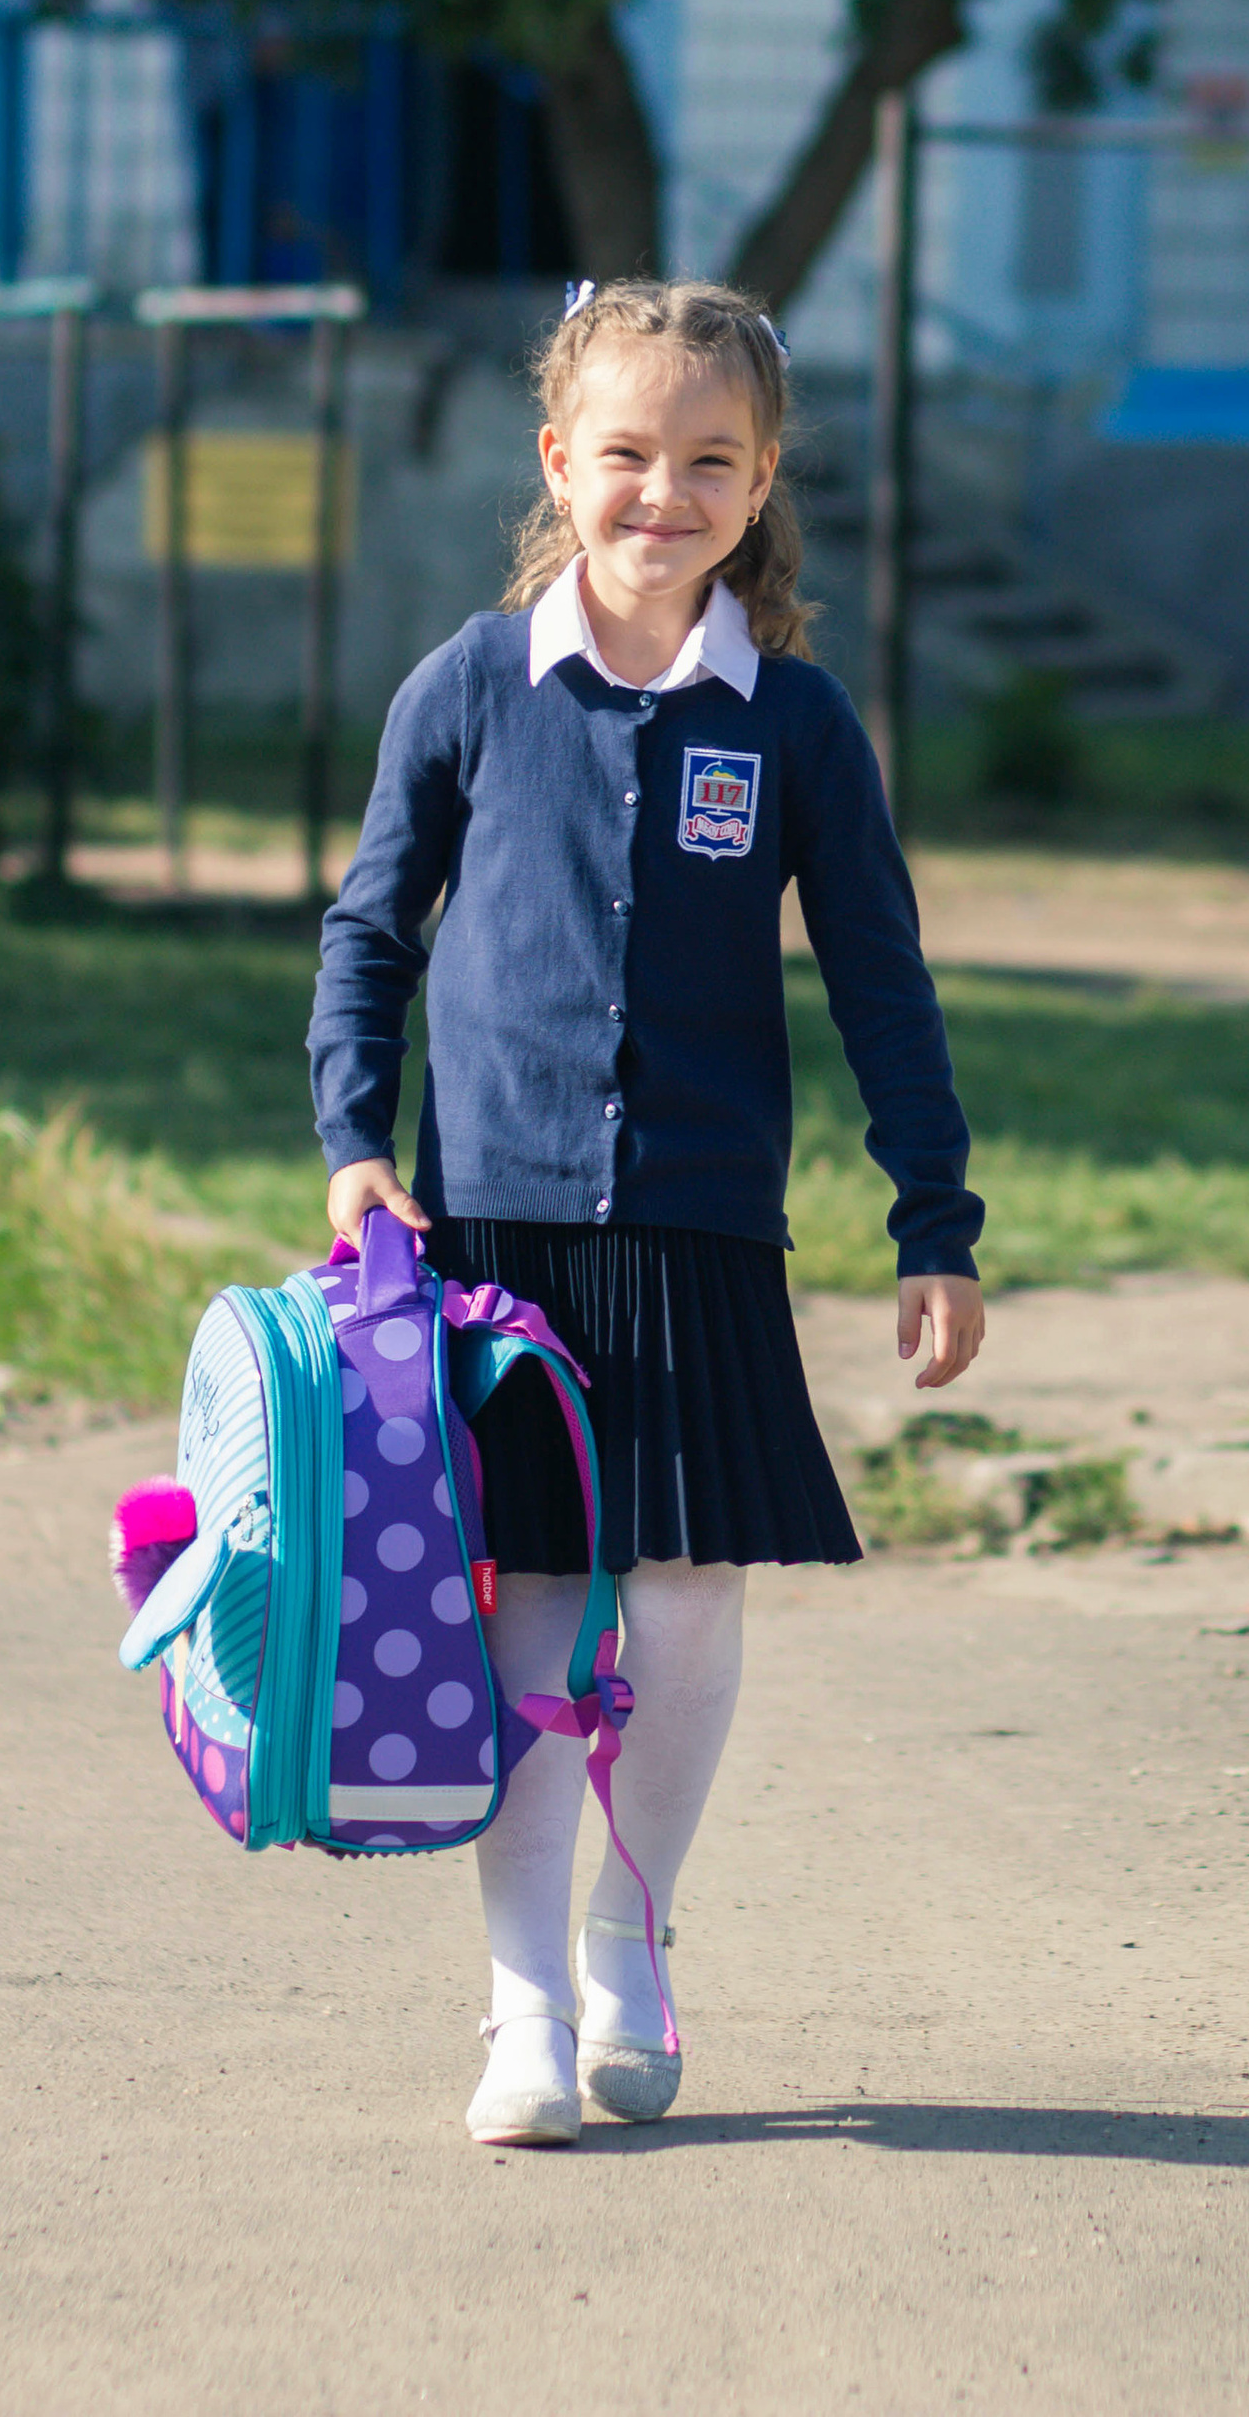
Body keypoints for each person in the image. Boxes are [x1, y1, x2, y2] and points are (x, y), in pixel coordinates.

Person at [308, 275, 984, 2147]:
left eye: (708, 462)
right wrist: (355, 1138)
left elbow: (881, 979)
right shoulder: (467, 685)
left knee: (683, 1613)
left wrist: (936, 1218)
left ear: (760, 484)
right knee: (524, 1622)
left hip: (702, 1237)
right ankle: (521, 2009)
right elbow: (371, 929)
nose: (661, 495)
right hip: (494, 1245)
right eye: (627, 455)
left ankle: (632, 1937)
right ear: (559, 462)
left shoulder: (791, 729)